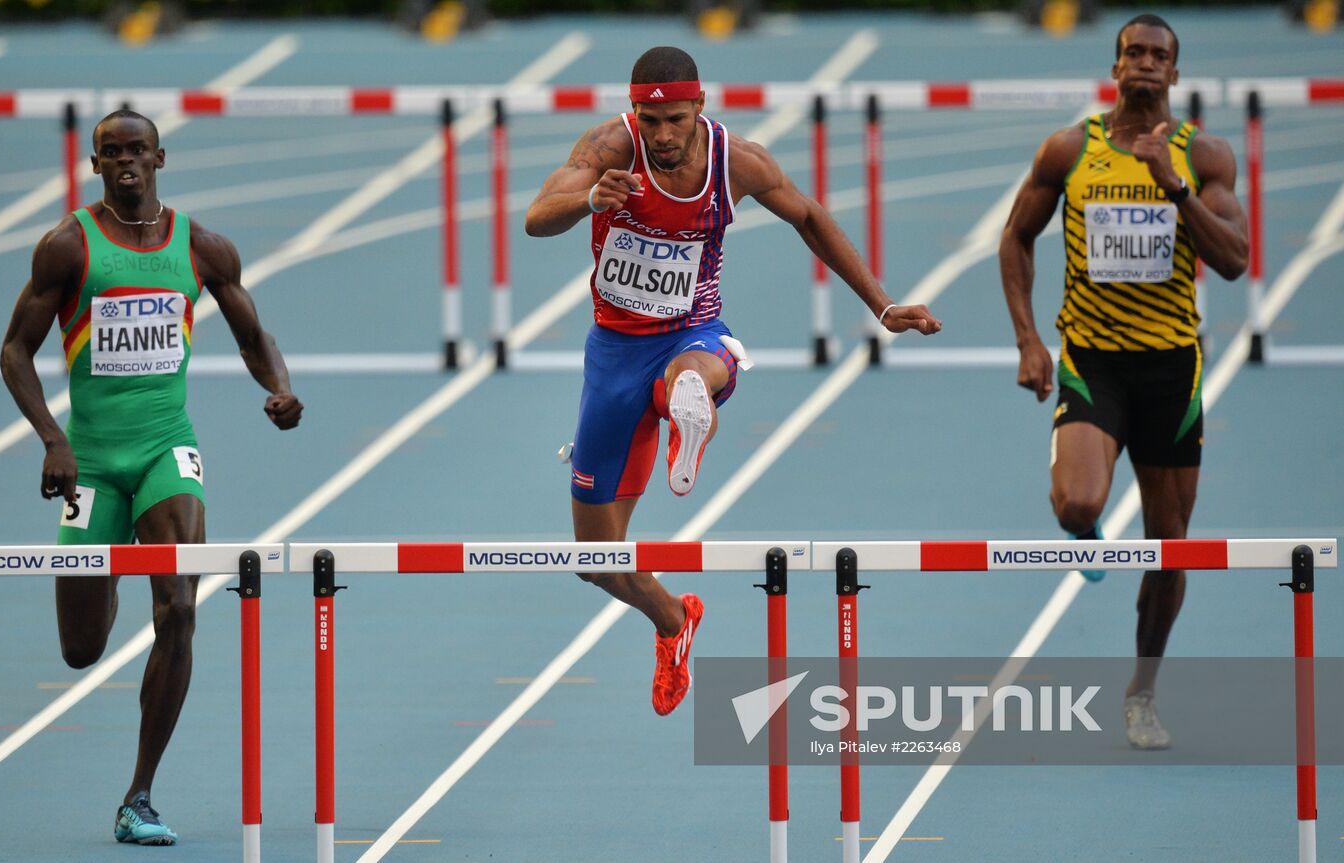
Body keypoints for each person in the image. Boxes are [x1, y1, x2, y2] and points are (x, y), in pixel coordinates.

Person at [525, 46, 942, 716]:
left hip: (693, 333)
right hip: (614, 351)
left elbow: (808, 216)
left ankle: (689, 410)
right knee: (594, 558)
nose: (662, 135)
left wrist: (881, 303)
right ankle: (672, 618)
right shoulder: (609, 147)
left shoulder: (736, 161)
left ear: (701, 108)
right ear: (634, 112)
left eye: (676, 119)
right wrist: (586, 198)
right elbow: (536, 215)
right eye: (650, 120)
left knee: (690, 376)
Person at [0, 110, 303, 844]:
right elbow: (15, 350)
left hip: (169, 447)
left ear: (160, 156)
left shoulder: (200, 246)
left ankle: (139, 793)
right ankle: (101, 574)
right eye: (112, 154)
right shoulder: (69, 246)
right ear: (96, 165)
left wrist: (279, 385)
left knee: (179, 608)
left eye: (138, 150)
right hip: (93, 459)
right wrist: (51, 438)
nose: (126, 163)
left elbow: (251, 331)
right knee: (81, 648)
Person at [998, 15, 1247, 749]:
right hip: (1094, 360)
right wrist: (1029, 341)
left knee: (1170, 544)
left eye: (1158, 55)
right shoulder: (1071, 149)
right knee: (1076, 503)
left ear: (1175, 74)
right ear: (1115, 66)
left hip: (1172, 367)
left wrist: (1176, 190)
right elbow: (1015, 236)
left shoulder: (1203, 153)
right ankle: (1086, 526)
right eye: (1133, 51)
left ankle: (1142, 689)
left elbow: (1234, 258)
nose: (1144, 63)